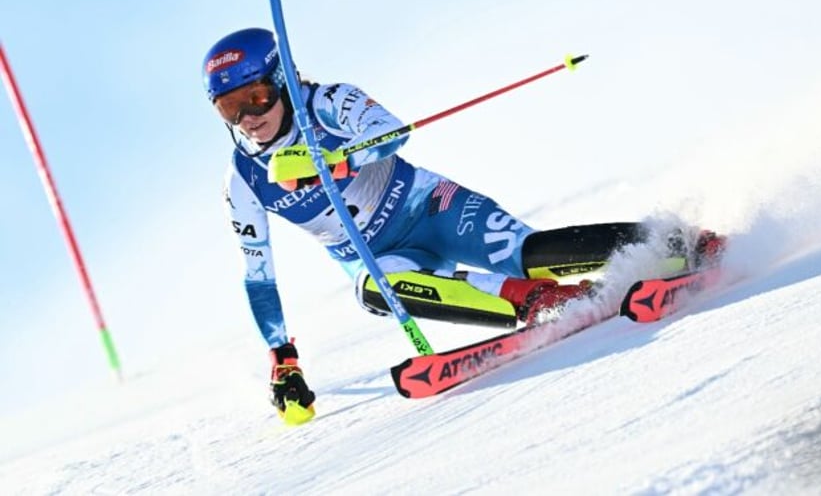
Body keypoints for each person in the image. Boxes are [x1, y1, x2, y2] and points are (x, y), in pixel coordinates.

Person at [201, 28, 724, 419]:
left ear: (282, 82)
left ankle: (683, 243)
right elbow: (259, 275)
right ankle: (539, 300)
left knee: (530, 252)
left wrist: (337, 162)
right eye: (231, 107)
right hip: (381, 256)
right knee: (378, 290)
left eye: (258, 97)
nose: (250, 118)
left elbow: (390, 132)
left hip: (431, 209)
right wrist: (283, 358)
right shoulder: (243, 180)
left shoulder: (327, 102)